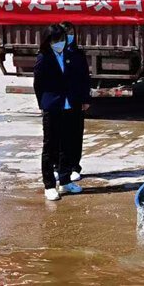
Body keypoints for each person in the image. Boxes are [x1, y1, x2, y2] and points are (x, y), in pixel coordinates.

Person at [33, 24, 88, 201]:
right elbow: (38, 84)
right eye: (56, 40)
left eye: (62, 40)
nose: (60, 43)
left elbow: (81, 79)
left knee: (68, 144)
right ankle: (49, 184)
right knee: (51, 146)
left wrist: (83, 99)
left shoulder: (71, 55)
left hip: (70, 105)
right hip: (53, 106)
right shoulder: (44, 58)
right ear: (48, 41)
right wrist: (44, 103)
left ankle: (65, 180)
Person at [60, 21, 90, 181]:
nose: (69, 36)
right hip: (58, 102)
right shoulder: (53, 54)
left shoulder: (78, 54)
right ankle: (59, 167)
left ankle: (74, 166)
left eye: (71, 33)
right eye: (66, 33)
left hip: (76, 100)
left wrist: (86, 99)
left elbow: (85, 78)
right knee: (58, 136)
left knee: (75, 135)